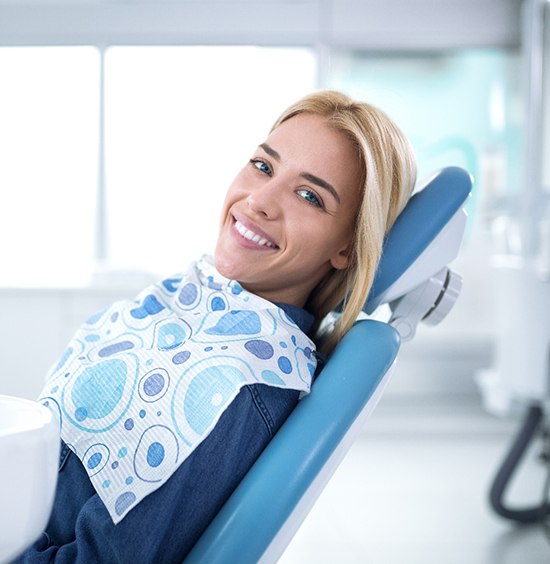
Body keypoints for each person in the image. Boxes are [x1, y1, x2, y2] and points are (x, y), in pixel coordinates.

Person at [15, 90, 416, 562]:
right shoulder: (194, 301)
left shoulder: (236, 385)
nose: (259, 201)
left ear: (347, 248)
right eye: (263, 166)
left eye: (309, 195)